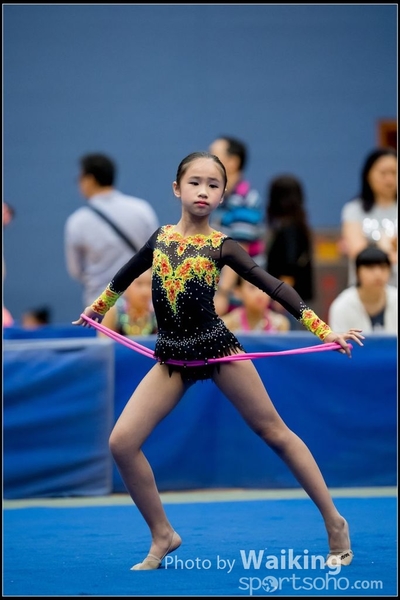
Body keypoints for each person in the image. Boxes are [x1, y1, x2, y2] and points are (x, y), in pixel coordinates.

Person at [73, 151, 364, 571]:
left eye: (213, 185)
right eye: (195, 182)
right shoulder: (160, 239)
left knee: (275, 432)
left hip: (216, 348)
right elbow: (123, 277)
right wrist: (97, 310)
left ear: (223, 195)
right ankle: (162, 533)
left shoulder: (222, 246)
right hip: (172, 356)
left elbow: (273, 287)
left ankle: (335, 522)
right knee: (121, 442)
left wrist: (324, 330)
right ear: (177, 188)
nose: (203, 191)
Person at [65, 153, 159, 308]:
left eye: (80, 178)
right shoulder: (142, 210)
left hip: (100, 305)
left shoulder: (78, 222)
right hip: (140, 303)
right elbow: (158, 255)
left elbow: (76, 271)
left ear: (90, 179)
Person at [208, 136, 266, 315]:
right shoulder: (219, 199)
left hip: (239, 299)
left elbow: (238, 251)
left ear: (233, 163)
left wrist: (223, 294)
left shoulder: (245, 200)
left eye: (214, 156)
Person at [340, 147, 397, 288]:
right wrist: (386, 248)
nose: (389, 179)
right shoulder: (354, 210)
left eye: (394, 173)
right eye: (383, 173)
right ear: (368, 175)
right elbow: (358, 252)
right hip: (365, 291)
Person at [264, 174, 315, 329]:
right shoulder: (297, 225)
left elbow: (290, 266)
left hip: (288, 300)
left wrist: (282, 297)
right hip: (296, 297)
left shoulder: (288, 229)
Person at [328, 246, 397, 333]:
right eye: (370, 268)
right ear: (357, 272)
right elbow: (339, 340)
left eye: (383, 268)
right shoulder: (342, 306)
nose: (378, 274)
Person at [100, 269, 157, 337]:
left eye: (150, 284)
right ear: (126, 285)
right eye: (139, 283)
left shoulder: (160, 313)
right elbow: (104, 342)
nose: (145, 291)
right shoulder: (112, 312)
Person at [222, 277, 290, 333]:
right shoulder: (227, 324)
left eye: (264, 287)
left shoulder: (280, 324)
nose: (260, 293)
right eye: (252, 287)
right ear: (239, 291)